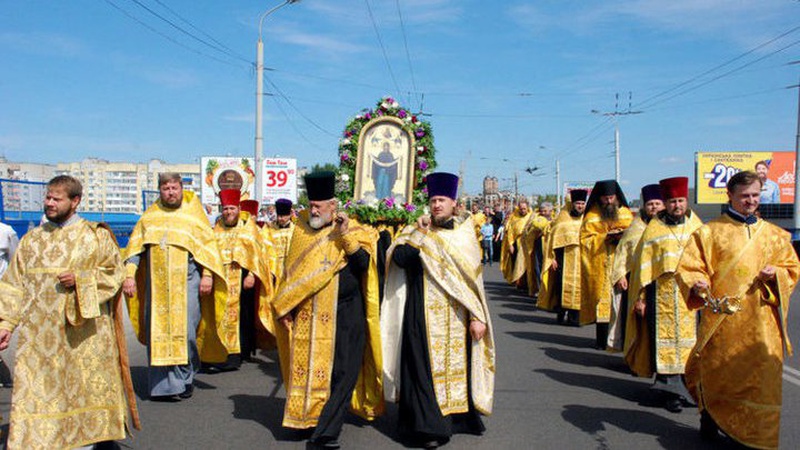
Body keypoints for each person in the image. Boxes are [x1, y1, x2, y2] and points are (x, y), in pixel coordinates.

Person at [0, 175, 140, 448]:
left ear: (75, 201)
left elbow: (114, 274)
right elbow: (13, 284)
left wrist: (82, 279)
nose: (49, 203)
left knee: (82, 396)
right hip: (40, 341)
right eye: (48, 197)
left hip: (84, 338)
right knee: (41, 396)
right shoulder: (31, 240)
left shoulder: (95, 236)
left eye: (57, 199)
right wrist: (6, 323)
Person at [676, 170, 800, 449]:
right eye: (744, 196)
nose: (751, 201)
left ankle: (757, 436)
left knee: (762, 380)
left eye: (755, 195)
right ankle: (712, 420)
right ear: (729, 195)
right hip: (723, 321)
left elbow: (792, 269)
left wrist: (777, 274)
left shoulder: (776, 236)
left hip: (763, 324)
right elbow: (690, 266)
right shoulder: (709, 233)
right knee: (719, 374)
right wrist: (697, 282)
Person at [382, 172, 494, 449]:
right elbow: (400, 258)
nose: (436, 205)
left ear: (454, 203)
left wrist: (477, 316)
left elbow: (474, 284)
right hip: (420, 313)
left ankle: (455, 419)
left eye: (442, 200)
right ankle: (429, 428)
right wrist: (419, 234)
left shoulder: (464, 236)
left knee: (457, 368)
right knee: (421, 369)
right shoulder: (415, 230)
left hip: (457, 316)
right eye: (433, 200)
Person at [273, 172, 383, 449]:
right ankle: (306, 420)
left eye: (318, 206)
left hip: (347, 312)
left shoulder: (352, 229)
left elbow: (363, 266)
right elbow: (291, 274)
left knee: (344, 372)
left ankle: (326, 431)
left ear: (333, 206)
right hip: (309, 313)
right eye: (311, 205)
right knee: (309, 370)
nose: (313, 210)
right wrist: (285, 306)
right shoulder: (301, 231)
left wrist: (344, 236)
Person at [122, 172, 227, 400]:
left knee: (187, 332)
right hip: (157, 287)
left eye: (174, 188)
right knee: (157, 332)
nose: (170, 192)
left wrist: (208, 276)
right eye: (166, 188)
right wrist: (129, 276)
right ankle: (164, 387)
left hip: (188, 282)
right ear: (160, 190)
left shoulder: (192, 215)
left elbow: (207, 249)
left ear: (181, 189)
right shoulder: (150, 217)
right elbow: (134, 249)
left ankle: (186, 376)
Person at [623, 177, 703, 413]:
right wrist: (640, 298)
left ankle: (688, 389)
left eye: (681, 201)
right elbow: (642, 268)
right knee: (664, 343)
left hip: (690, 296)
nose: (677, 205)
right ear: (666, 203)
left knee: (691, 345)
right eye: (673, 201)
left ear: (686, 201)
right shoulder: (654, 230)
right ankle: (671, 393)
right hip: (660, 295)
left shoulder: (697, 227)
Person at [203, 189, 275, 371]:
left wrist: (251, 275)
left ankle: (235, 356)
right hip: (220, 279)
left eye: (232, 208)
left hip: (240, 278)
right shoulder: (215, 230)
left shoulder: (247, 229)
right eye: (226, 208)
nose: (228, 212)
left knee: (240, 317)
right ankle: (218, 353)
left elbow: (257, 253)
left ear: (239, 209)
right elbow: (208, 255)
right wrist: (207, 275)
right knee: (218, 316)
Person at [607, 184, 664, 352]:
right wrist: (620, 275)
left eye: (657, 203)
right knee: (634, 318)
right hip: (635, 280)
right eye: (650, 204)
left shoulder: (669, 227)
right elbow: (622, 252)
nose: (654, 207)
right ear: (644, 206)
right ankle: (633, 355)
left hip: (660, 280)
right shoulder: (635, 227)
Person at [580, 180, 633, 349]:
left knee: (622, 302)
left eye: (611, 197)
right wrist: (605, 238)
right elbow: (585, 240)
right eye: (605, 198)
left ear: (616, 197)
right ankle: (602, 341)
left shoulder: (626, 214)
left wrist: (622, 237)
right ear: (599, 198)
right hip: (601, 264)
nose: (609, 201)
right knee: (603, 302)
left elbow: (634, 236)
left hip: (621, 264)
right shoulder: (592, 216)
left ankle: (622, 340)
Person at [538, 189, 587, 325]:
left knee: (579, 289)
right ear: (572, 204)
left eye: (582, 204)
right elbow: (552, 240)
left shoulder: (587, 220)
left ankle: (575, 318)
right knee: (561, 286)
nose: (580, 206)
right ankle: (560, 313)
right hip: (563, 259)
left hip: (581, 260)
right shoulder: (562, 219)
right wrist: (552, 258)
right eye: (578, 203)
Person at [522, 202, 553, 298]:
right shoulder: (534, 220)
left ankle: (548, 292)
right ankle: (540, 290)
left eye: (545, 211)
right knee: (538, 268)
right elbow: (526, 232)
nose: (543, 213)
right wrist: (534, 231)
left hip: (549, 249)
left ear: (551, 211)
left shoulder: (554, 221)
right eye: (542, 211)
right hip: (538, 247)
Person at [500, 200, 532, 288]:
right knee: (516, 262)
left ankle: (527, 282)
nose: (523, 210)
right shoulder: (514, 217)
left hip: (528, 243)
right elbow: (510, 232)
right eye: (521, 209)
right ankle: (518, 281)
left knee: (527, 263)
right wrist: (510, 244)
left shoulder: (531, 216)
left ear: (527, 208)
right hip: (517, 243)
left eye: (524, 208)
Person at [262, 198, 295, 283]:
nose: (281, 218)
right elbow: (264, 247)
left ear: (290, 214)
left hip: (291, 269)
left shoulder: (296, 230)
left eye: (284, 216)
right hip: (274, 269)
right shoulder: (269, 229)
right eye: (279, 215)